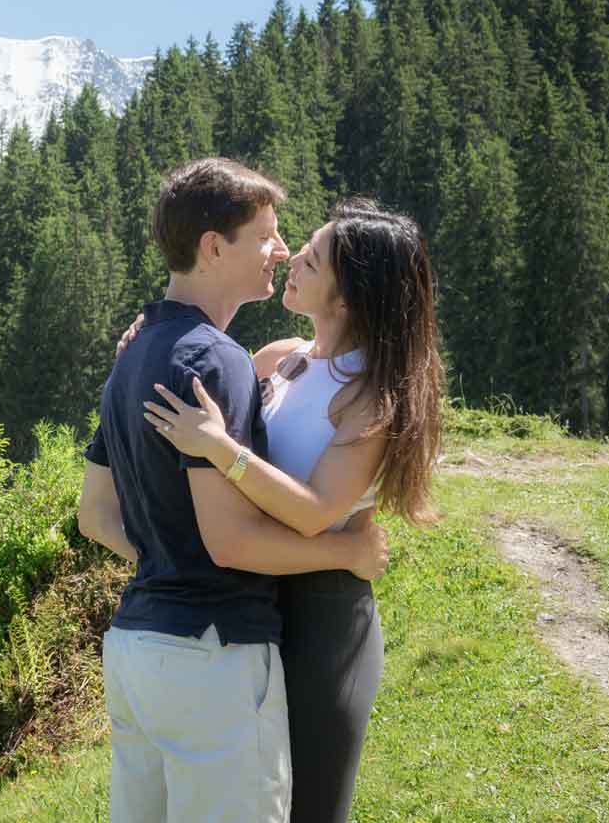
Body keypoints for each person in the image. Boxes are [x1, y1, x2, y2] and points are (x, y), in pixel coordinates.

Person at [76, 159, 390, 823]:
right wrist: (346, 553)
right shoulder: (218, 360)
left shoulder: (134, 354)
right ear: (214, 248)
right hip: (212, 656)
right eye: (268, 236)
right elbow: (230, 541)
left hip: (135, 647)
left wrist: (166, 558)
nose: (282, 252)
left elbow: (95, 517)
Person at [135, 197, 443, 823]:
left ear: (350, 296)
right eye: (298, 248)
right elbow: (202, 396)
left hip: (325, 622)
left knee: (310, 809)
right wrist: (146, 337)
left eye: (312, 258)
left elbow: (314, 511)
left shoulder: (369, 396)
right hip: (254, 603)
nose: (290, 258)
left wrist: (222, 452)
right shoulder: (278, 358)